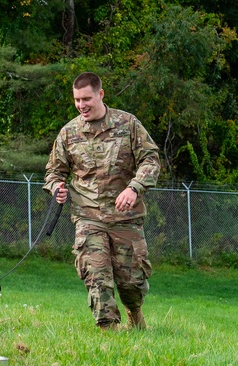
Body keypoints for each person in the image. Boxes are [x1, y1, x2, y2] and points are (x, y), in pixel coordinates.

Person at [44, 72, 161, 330]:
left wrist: (134, 187)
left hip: (125, 218)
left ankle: (134, 313)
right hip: (88, 217)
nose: (81, 105)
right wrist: (56, 188)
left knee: (131, 281)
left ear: (100, 94)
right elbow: (54, 171)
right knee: (97, 276)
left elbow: (151, 160)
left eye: (86, 98)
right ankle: (108, 330)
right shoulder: (69, 133)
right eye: (76, 100)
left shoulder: (127, 124)